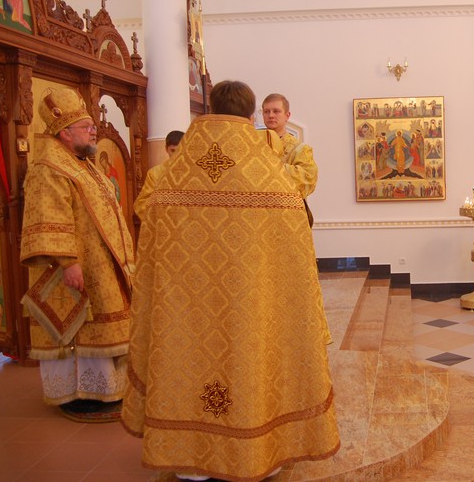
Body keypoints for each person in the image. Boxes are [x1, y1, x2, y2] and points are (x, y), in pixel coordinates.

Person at [121, 80, 340, 480]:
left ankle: (192, 461)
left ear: (208, 109)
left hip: (187, 309)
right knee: (252, 366)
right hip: (251, 306)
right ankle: (259, 451)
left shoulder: (173, 172)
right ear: (251, 116)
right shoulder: (271, 178)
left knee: (189, 362)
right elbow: (294, 248)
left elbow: (149, 228)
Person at [20, 88, 135, 422]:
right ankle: (78, 393)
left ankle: (102, 389)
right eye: (86, 127)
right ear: (64, 133)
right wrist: (68, 263)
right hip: (72, 267)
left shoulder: (84, 165)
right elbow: (47, 216)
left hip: (101, 263)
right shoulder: (49, 167)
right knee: (77, 327)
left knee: (104, 325)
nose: (93, 130)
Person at [263, 93, 318, 226]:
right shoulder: (253, 145)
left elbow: (308, 179)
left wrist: (270, 166)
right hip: (260, 215)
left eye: (276, 111)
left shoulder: (300, 149)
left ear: (287, 115)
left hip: (289, 217)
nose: (271, 115)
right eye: (266, 111)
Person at [133, 129, 184, 221]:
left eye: (179, 150)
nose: (176, 155)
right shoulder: (155, 173)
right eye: (173, 150)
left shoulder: (194, 173)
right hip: (163, 224)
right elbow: (141, 204)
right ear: (166, 149)